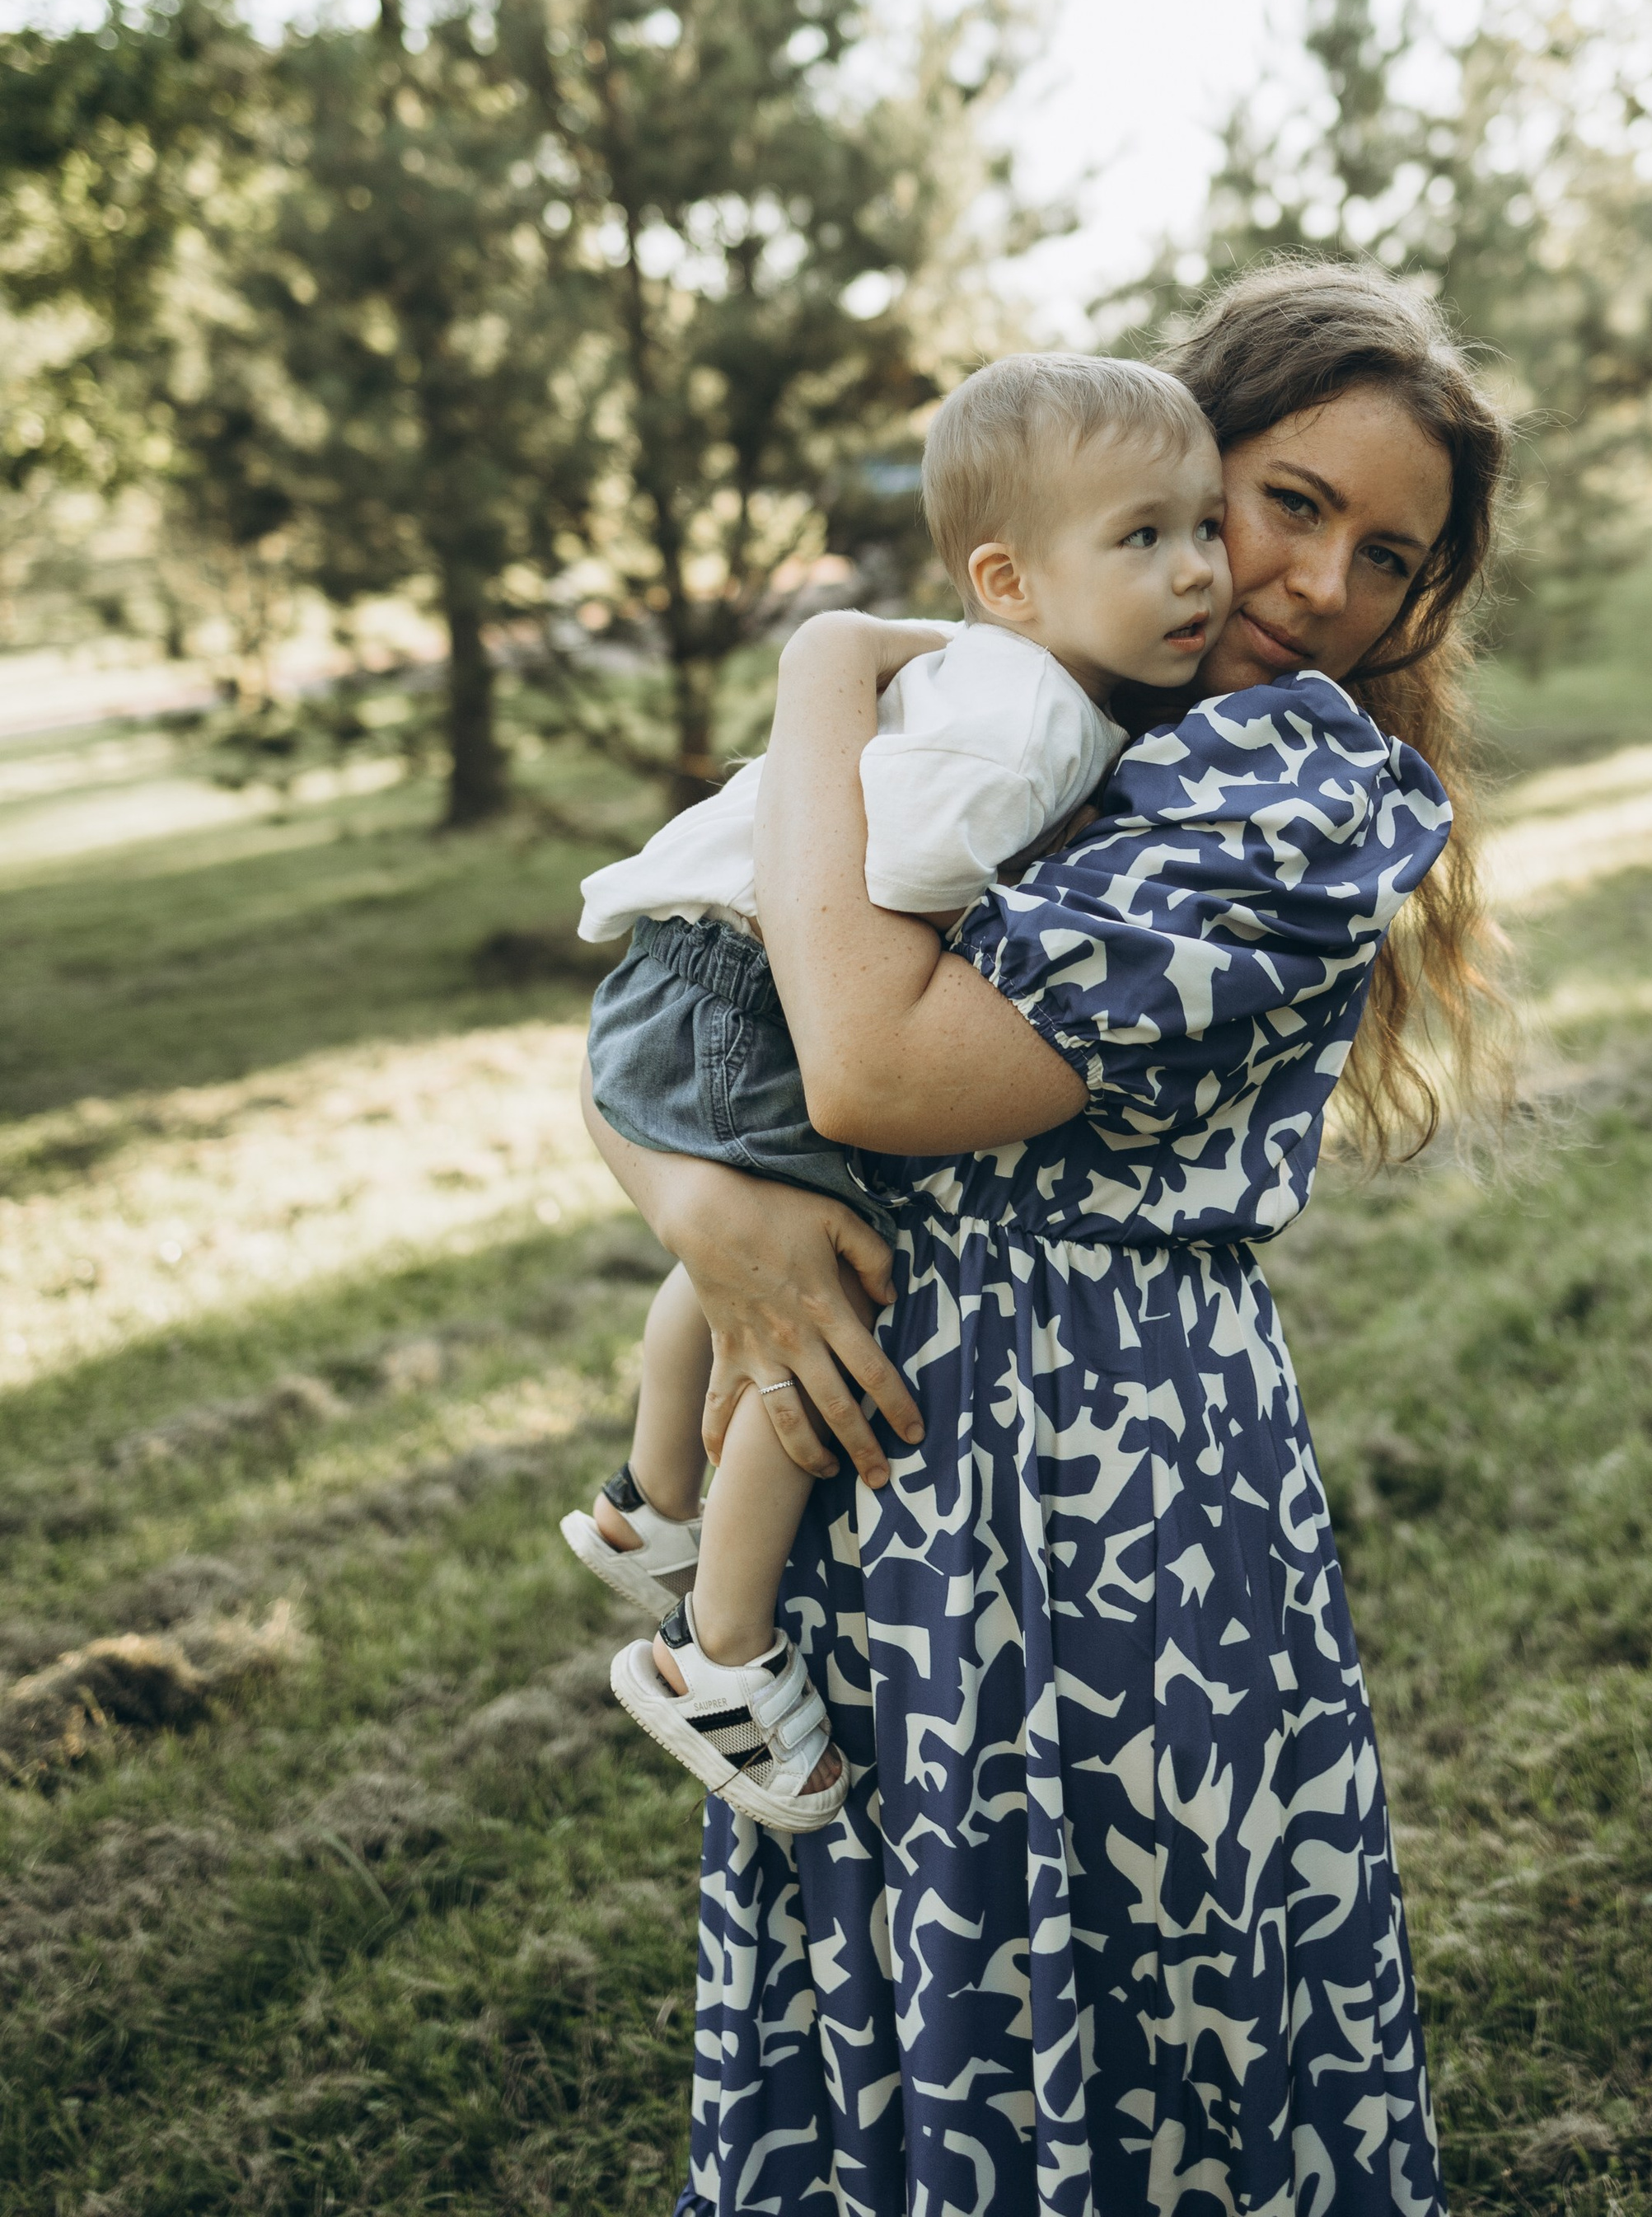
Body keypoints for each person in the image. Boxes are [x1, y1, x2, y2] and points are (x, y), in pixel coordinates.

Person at [585, 260, 1509, 2216]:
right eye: (1286, 505)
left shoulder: (1295, 786)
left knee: (1142, 1992)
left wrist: (829, 656)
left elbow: (861, 1072)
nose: (1320, 590)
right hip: (870, 1426)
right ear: (1170, 475)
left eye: (1385, 556)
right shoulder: (1036, 712)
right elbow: (689, 995)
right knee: (897, 1982)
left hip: (1109, 1484)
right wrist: (707, 1216)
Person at [564, 354, 1232, 1830]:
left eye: (1205, 527)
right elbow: (889, 889)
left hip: (687, 961)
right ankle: (714, 1654)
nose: (1199, 572)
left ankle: (646, 1497)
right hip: (760, 983)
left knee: (746, 1248)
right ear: (1010, 576)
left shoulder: (998, 667)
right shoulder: (1038, 725)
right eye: (1143, 538)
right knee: (823, 1335)